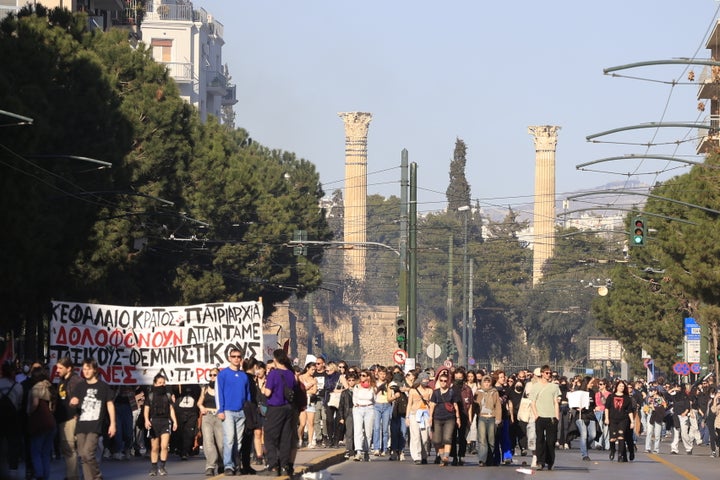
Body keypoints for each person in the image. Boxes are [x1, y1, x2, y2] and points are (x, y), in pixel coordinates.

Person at [69, 358, 116, 480]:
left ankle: (97, 476)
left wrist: (113, 424)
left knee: (87, 454)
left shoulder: (103, 387)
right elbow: (73, 401)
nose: (86, 371)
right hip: (81, 426)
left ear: (95, 370)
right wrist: (73, 402)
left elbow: (110, 404)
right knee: (83, 457)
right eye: (84, 369)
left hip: (94, 426)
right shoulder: (80, 386)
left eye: (88, 369)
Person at [260, 348, 298, 476]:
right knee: (285, 438)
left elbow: (268, 392)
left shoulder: (274, 374)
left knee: (270, 437)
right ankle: (284, 466)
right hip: (288, 408)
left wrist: (263, 387)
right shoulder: (290, 374)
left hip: (275, 407)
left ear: (275, 359)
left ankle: (273, 466)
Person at [216, 347, 252, 476]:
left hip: (241, 411)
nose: (236, 359)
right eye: (234, 356)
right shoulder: (223, 374)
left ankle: (237, 465)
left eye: (238, 356)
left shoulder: (244, 376)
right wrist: (221, 410)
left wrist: (247, 411)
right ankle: (228, 465)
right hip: (228, 411)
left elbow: (247, 394)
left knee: (239, 441)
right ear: (229, 358)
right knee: (229, 439)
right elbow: (219, 393)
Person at [54, 357, 82, 480]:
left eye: (60, 368)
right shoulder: (62, 380)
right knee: (66, 448)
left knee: (69, 448)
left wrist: (78, 413)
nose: (57, 370)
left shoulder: (75, 380)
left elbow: (82, 397)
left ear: (69, 368)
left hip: (71, 418)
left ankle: (72, 476)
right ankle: (71, 474)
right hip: (62, 418)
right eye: (57, 367)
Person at [144, 373, 177, 476]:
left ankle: (162, 467)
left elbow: (171, 409)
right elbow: (146, 409)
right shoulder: (150, 396)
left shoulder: (167, 395)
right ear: (155, 384)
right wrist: (146, 420)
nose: (162, 385)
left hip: (165, 422)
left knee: (164, 446)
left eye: (163, 383)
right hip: (154, 422)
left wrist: (175, 421)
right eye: (159, 383)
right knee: (154, 447)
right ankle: (154, 467)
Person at [27, 367, 57, 480]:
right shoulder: (50, 386)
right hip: (51, 422)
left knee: (35, 451)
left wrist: (29, 412)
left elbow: (35, 404)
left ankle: (39, 474)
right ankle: (46, 476)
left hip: (40, 423)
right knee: (45, 453)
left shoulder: (37, 387)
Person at [530, 365, 561, 471]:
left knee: (551, 441)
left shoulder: (554, 387)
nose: (549, 375)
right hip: (540, 417)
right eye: (547, 373)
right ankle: (540, 462)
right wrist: (536, 415)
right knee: (540, 440)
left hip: (551, 417)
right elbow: (532, 402)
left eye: (550, 373)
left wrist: (557, 416)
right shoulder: (535, 387)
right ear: (542, 373)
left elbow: (556, 402)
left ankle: (550, 461)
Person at [429, 371, 460, 467]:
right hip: (437, 418)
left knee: (447, 438)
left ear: (448, 382)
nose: (443, 382)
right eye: (441, 380)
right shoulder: (436, 393)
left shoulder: (452, 392)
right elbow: (432, 405)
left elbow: (455, 405)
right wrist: (430, 417)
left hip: (449, 418)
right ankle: (443, 458)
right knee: (437, 440)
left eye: (445, 381)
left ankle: (446, 456)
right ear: (439, 381)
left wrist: (458, 418)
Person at [198, 368, 223, 477]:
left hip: (219, 417)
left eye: (215, 375)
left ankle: (222, 463)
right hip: (207, 417)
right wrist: (201, 407)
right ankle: (210, 466)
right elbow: (199, 402)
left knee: (221, 443)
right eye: (211, 375)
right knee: (208, 442)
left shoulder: (222, 388)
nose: (212, 377)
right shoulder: (205, 389)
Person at [604, 379, 634, 462]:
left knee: (621, 437)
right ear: (616, 387)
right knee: (612, 438)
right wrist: (606, 418)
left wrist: (632, 421)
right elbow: (607, 408)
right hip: (613, 419)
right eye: (620, 386)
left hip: (623, 420)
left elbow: (630, 411)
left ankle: (620, 454)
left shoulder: (627, 398)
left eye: (623, 386)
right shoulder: (611, 396)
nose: (621, 387)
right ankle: (612, 450)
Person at [475, 374, 501, 466]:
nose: (486, 383)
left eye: (488, 381)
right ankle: (482, 460)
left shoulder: (494, 392)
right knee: (482, 439)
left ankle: (489, 458)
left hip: (492, 418)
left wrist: (498, 418)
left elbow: (498, 406)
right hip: (482, 417)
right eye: (485, 382)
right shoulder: (478, 392)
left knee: (491, 440)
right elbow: (475, 405)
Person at [406, 371, 432, 465]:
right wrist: (407, 417)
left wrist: (431, 416)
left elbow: (432, 404)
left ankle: (424, 455)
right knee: (415, 436)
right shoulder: (413, 390)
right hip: (414, 414)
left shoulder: (430, 390)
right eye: (424, 380)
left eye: (427, 380)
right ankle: (416, 457)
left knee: (425, 438)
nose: (426, 382)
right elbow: (409, 404)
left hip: (425, 414)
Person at [352, 369, 376, 461]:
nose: (361, 377)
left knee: (368, 431)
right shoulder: (357, 387)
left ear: (368, 377)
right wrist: (356, 404)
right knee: (358, 430)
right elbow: (354, 398)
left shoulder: (373, 387)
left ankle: (367, 451)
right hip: (358, 408)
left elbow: (375, 399)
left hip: (369, 408)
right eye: (360, 375)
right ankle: (358, 452)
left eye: (363, 375)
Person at [173, 383, 201, 461]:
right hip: (180, 411)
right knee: (180, 431)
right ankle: (180, 448)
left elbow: (198, 395)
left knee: (189, 432)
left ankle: (185, 451)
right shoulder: (179, 386)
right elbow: (175, 391)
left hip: (192, 412)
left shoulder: (196, 386)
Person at [372, 366, 392, 456]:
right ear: (377, 374)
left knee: (385, 429)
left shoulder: (389, 384)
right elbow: (373, 394)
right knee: (376, 427)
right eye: (381, 374)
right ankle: (376, 448)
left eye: (384, 374)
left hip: (386, 405)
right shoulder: (375, 383)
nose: (383, 376)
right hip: (377, 405)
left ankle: (384, 449)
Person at [297, 362, 318, 448]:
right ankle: (300, 439)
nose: (313, 371)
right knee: (302, 423)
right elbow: (301, 389)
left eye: (314, 370)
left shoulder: (314, 379)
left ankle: (310, 441)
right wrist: (311, 385)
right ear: (307, 368)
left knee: (311, 423)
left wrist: (308, 388)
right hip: (302, 402)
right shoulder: (300, 377)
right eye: (312, 369)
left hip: (310, 402)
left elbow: (314, 391)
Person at [337, 371, 357, 459]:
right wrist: (341, 417)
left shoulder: (358, 391)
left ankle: (356, 449)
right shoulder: (344, 393)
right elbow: (341, 405)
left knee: (357, 432)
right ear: (347, 381)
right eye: (349, 380)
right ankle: (349, 449)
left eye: (353, 380)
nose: (351, 382)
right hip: (348, 413)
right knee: (349, 432)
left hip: (357, 411)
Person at [644, 386, 667, 454]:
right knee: (649, 432)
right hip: (651, 415)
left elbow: (664, 406)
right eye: (650, 391)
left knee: (657, 433)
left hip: (658, 415)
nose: (651, 392)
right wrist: (647, 409)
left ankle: (656, 448)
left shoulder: (660, 398)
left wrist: (655, 407)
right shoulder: (649, 398)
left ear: (656, 391)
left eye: (652, 391)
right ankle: (647, 448)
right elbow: (648, 405)